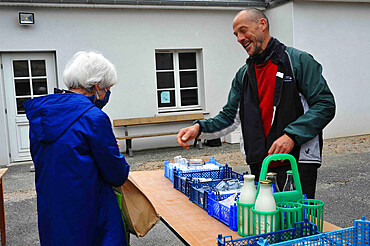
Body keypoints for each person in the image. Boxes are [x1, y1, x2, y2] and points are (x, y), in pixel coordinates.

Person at [176, 9, 335, 199]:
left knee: (296, 223)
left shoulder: (298, 61)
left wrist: (292, 135)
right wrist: (198, 128)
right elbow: (229, 117)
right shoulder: (243, 75)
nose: (239, 38)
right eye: (236, 34)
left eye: (243, 30)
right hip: (260, 164)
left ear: (262, 24)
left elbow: (325, 105)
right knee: (264, 223)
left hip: (297, 164)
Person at [24, 51, 130, 245]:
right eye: (107, 88)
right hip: (91, 213)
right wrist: (114, 152)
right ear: (97, 86)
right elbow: (117, 174)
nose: (107, 94)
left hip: (53, 211)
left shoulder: (41, 115)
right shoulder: (94, 118)